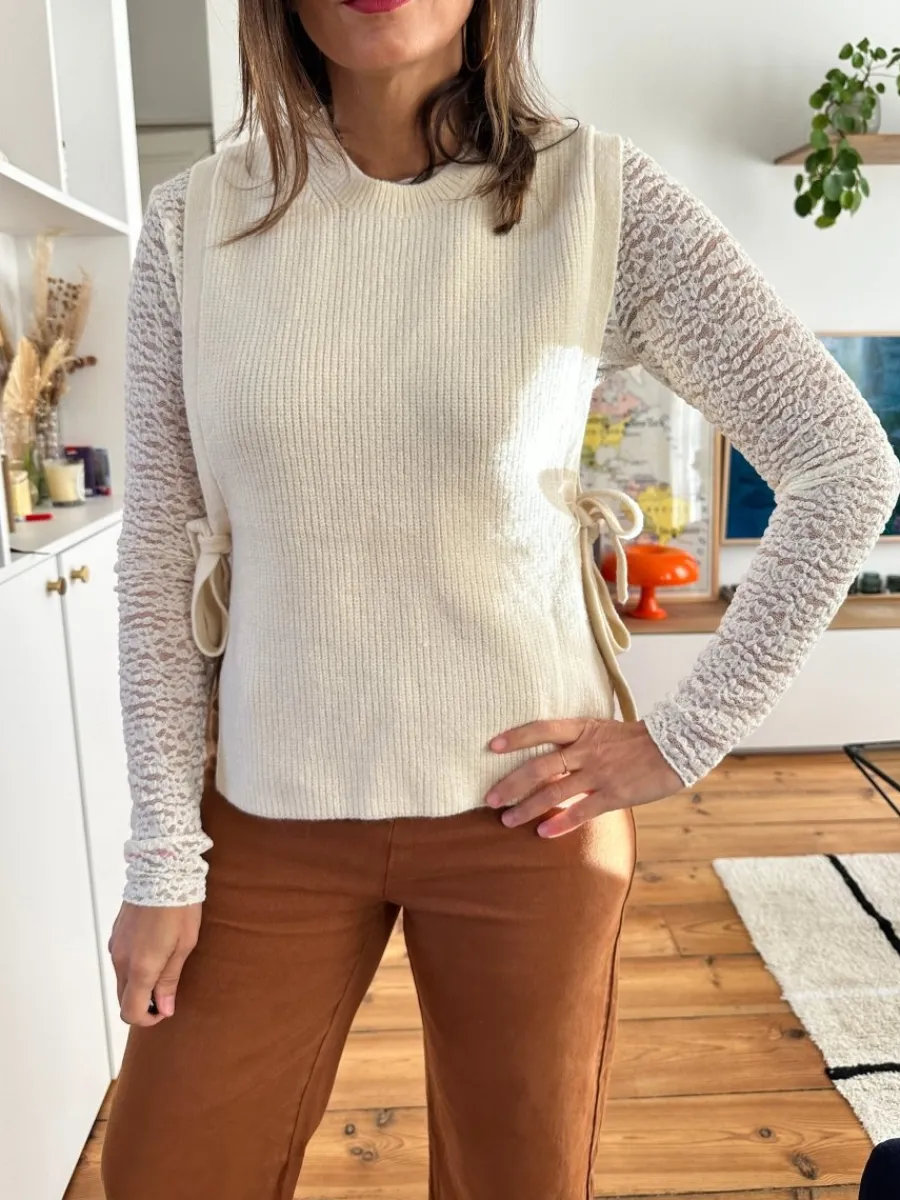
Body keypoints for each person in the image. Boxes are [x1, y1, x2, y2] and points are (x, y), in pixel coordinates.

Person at [100, 0, 900, 1197]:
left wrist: (682, 740)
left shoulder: (599, 199)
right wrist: (163, 856)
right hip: (267, 808)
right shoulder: (192, 224)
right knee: (168, 1173)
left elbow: (845, 464)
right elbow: (160, 557)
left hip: (527, 819)